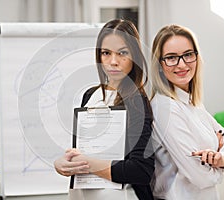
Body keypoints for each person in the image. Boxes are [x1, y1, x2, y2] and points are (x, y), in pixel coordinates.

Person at [54, 19, 155, 200]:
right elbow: (82, 150)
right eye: (106, 53)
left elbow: (141, 170)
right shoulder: (89, 95)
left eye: (122, 53)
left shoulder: (137, 102)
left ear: (135, 57)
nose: (113, 61)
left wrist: (87, 164)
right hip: (83, 194)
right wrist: (63, 163)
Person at [149, 24, 224, 200]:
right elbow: (201, 178)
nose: (182, 64)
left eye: (188, 55)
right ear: (159, 64)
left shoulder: (192, 103)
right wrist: (219, 164)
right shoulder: (164, 108)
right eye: (171, 57)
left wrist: (221, 159)